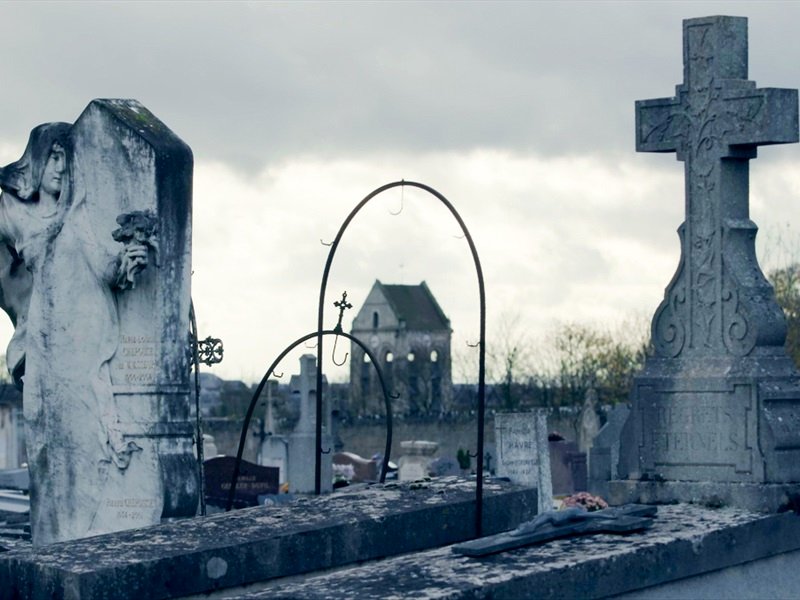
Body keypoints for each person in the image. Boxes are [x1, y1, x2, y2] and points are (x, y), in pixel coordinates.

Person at [0, 123, 149, 544]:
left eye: (67, 162)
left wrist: (129, 260)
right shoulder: (14, 214)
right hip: (41, 347)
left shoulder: (79, 214)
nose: (60, 170)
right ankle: (53, 542)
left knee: (86, 445)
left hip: (80, 346)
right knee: (45, 450)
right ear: (37, 162)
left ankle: (84, 541)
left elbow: (106, 266)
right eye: (53, 158)